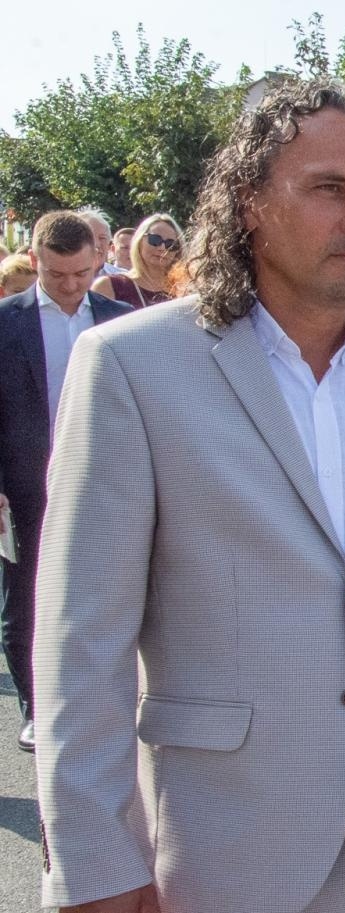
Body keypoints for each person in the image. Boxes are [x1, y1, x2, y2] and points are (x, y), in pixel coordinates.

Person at [32, 80, 345, 912]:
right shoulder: (133, 368)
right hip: (227, 841)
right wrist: (95, 862)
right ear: (249, 202)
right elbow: (82, 641)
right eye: (329, 188)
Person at [0, 212, 130, 755]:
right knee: (27, 599)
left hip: (109, 486)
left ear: (97, 259)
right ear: (34, 261)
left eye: (81, 273)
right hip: (26, 488)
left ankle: (100, 706)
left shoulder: (122, 322)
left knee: (111, 598)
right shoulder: (6, 324)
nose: (71, 285)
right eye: (56, 274)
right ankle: (36, 707)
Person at [91, 214, 183, 308]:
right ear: (139, 242)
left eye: (171, 244)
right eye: (155, 240)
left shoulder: (185, 290)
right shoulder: (109, 286)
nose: (162, 248)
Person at [75, 208, 115, 277]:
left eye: (102, 238)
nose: (96, 244)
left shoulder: (124, 279)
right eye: (90, 237)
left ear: (109, 245)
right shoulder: (60, 276)